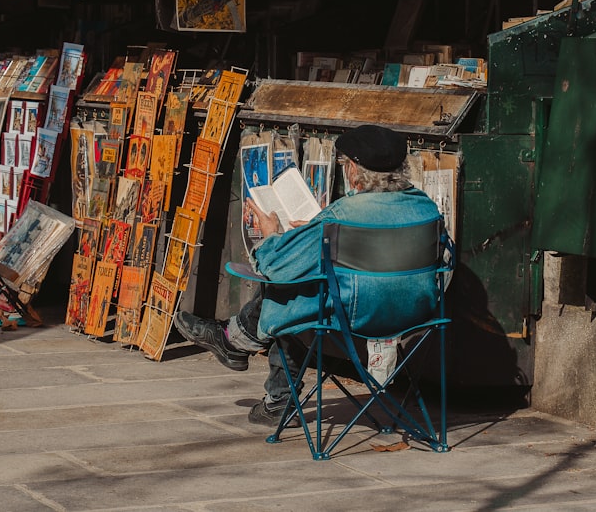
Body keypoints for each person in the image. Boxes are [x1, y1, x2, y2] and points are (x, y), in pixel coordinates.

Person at [174, 124, 444, 426]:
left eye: (344, 164)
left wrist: (272, 235)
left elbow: (275, 266)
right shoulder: (426, 208)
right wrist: (314, 233)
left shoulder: (343, 215)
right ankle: (254, 366)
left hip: (358, 315)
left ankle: (242, 346)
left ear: (353, 169)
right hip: (419, 314)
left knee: (291, 286)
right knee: (306, 281)